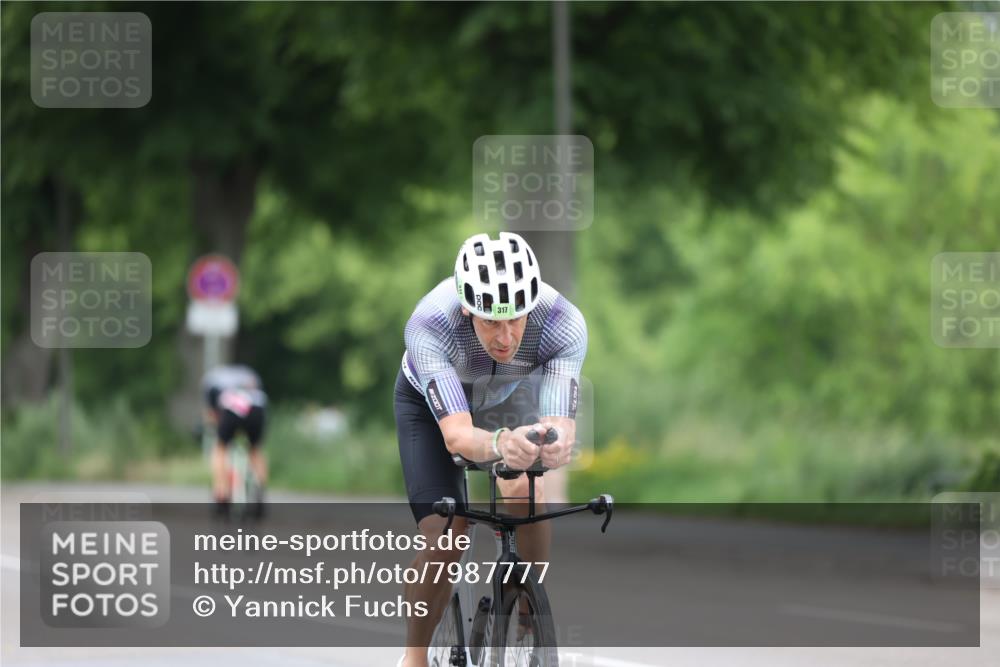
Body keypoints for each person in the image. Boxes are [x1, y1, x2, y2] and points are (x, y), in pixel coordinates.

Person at [394, 232, 587, 667]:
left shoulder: (562, 322)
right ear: (466, 309)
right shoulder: (430, 324)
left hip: (508, 397)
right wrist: (501, 444)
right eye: (490, 322)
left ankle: (526, 608)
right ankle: (415, 655)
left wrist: (553, 443)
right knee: (446, 532)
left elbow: (559, 420)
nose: (506, 337)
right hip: (433, 408)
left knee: (526, 491)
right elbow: (459, 438)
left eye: (516, 319)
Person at [201, 364, 269, 518]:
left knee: (220, 448)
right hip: (257, 407)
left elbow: (211, 413)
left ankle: (222, 493)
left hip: (231, 407)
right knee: (255, 449)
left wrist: (215, 425)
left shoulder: (212, 380)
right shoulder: (250, 374)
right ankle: (259, 488)